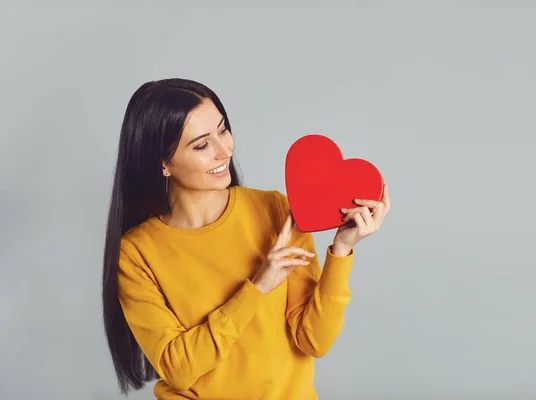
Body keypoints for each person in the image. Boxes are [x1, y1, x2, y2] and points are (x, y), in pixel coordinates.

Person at [102, 78, 391, 400]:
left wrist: (342, 250)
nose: (225, 150)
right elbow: (179, 370)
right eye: (201, 145)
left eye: (223, 130)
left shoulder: (277, 210)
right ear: (164, 164)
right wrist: (257, 287)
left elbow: (314, 341)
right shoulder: (136, 253)